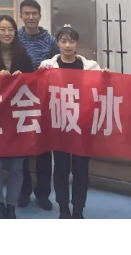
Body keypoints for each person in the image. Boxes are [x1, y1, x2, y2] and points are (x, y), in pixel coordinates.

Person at [40, 26, 108, 219]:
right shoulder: (48, 66)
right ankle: (63, 208)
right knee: (60, 169)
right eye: (63, 41)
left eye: (71, 41)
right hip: (59, 126)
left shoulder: (91, 67)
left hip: (82, 126)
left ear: (77, 44)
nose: (68, 45)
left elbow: (101, 90)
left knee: (81, 170)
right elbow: (40, 92)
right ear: (58, 43)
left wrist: (106, 77)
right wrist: (40, 75)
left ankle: (78, 209)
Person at [0, 14, 34, 218]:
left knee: (17, 166)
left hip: (17, 117)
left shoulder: (23, 55)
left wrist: (23, 78)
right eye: (2, 29)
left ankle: (11, 206)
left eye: (10, 29)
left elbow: (33, 82)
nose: (7, 33)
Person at [16, 0, 58, 210]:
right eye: (27, 13)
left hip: (44, 102)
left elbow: (59, 67)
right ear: (21, 16)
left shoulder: (50, 41)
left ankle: (43, 193)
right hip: (21, 100)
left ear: (40, 16)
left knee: (44, 149)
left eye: (34, 13)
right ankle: (23, 190)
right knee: (22, 148)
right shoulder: (15, 38)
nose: (31, 17)